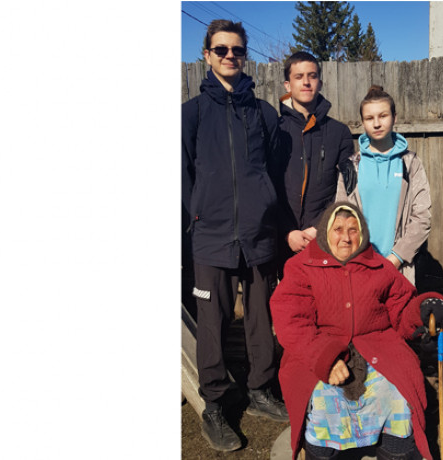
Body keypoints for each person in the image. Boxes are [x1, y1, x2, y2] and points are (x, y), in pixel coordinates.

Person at [181, 19, 288, 452]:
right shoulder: (191, 114)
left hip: (258, 235)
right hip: (211, 237)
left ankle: (260, 389)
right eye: (221, 49)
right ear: (207, 54)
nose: (230, 56)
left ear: (245, 56)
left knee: (260, 317)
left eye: (237, 50)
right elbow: (182, 173)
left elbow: (272, 171)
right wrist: (198, 214)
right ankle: (215, 405)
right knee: (213, 324)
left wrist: (265, 209)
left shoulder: (263, 113)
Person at [270, 202, 443, 460]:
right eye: (338, 229)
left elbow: (401, 309)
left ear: (362, 233)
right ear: (325, 232)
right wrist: (323, 356)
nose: (346, 237)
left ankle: (394, 451)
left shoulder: (378, 266)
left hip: (379, 347)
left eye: (353, 230)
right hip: (318, 348)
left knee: (399, 392)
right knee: (323, 400)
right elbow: (292, 320)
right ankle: (322, 453)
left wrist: (423, 308)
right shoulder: (301, 267)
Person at [336, 85, 431, 284]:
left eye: (383, 116)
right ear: (362, 122)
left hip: (399, 268)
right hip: (359, 267)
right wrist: (359, 258)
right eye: (369, 118)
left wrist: (395, 259)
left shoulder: (410, 163)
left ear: (394, 117)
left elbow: (422, 217)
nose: (377, 123)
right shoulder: (351, 167)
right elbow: (341, 218)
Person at [276, 51, 355, 274]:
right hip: (280, 242)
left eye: (312, 76)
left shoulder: (339, 133)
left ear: (320, 83)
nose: (306, 82)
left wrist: (318, 228)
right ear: (287, 85)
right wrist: (287, 232)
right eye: (299, 76)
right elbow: (266, 186)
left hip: (324, 239)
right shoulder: (274, 130)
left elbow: (347, 188)